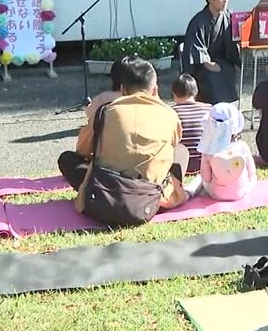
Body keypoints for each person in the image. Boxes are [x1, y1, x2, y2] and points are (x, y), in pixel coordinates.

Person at [58, 57, 189, 219]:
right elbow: (171, 149)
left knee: (67, 159)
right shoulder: (170, 115)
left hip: (105, 193)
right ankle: (167, 196)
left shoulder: (105, 111)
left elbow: (82, 150)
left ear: (122, 90)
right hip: (151, 196)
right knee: (181, 151)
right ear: (155, 89)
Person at [183, 0, 241, 104]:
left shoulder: (229, 17)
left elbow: (237, 37)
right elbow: (194, 47)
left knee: (227, 69)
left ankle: (225, 107)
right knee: (212, 74)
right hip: (201, 65)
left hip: (222, 59)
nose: (225, 1)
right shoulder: (198, 21)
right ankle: (212, 107)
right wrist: (207, 63)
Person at [187, 102, 257, 202]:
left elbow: (206, 178)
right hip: (241, 192)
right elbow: (252, 173)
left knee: (200, 179)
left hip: (216, 194)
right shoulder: (242, 147)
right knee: (253, 177)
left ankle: (189, 192)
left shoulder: (208, 151)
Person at [72, 55, 130, 157]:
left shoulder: (103, 99)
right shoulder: (150, 101)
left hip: (109, 162)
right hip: (146, 166)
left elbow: (84, 145)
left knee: (68, 159)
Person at [171, 74, 213, 174]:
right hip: (206, 163)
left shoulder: (171, 112)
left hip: (180, 166)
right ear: (195, 91)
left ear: (174, 93)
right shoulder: (209, 109)